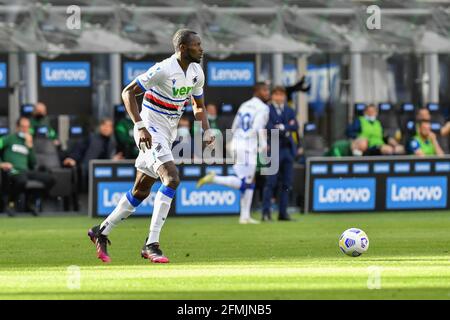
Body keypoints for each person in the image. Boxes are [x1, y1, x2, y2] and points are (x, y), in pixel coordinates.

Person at [87, 29, 214, 264]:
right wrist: (140, 125)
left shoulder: (197, 72)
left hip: (168, 133)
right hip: (150, 131)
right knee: (172, 178)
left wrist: (206, 130)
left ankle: (100, 231)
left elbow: (198, 106)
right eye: (197, 44)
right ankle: (151, 244)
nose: (201, 48)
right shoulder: (164, 68)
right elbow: (128, 93)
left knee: (140, 191)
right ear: (183, 48)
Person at [196, 82, 270, 224]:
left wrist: (231, 143)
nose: (267, 93)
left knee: (249, 180)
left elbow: (235, 126)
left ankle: (245, 216)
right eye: (264, 90)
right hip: (247, 147)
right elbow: (257, 128)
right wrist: (264, 144)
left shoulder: (244, 105)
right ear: (257, 91)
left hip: (237, 144)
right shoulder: (263, 108)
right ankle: (214, 178)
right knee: (244, 183)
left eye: (267, 90)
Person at [0, 117, 55, 214]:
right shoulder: (9, 138)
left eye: (27, 127)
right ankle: (11, 203)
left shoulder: (28, 142)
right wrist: (1, 163)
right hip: (13, 170)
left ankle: (31, 202)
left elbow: (33, 163)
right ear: (17, 127)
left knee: (50, 179)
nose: (25, 129)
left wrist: (30, 146)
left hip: (26, 170)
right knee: (21, 180)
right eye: (23, 127)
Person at [261, 86, 299, 222]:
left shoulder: (289, 110)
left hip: (287, 149)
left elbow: (295, 126)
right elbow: (269, 128)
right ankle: (266, 213)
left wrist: (283, 127)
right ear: (272, 96)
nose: (279, 97)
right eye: (276, 95)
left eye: (281, 95)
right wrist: (286, 129)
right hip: (274, 148)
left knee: (286, 183)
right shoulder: (267, 110)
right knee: (271, 182)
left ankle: (283, 213)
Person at [63, 118, 123, 189]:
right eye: (104, 125)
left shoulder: (112, 143)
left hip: (104, 173)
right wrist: (72, 158)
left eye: (109, 126)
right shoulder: (91, 138)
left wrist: (113, 160)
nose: (106, 128)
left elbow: (107, 159)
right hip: (88, 172)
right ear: (100, 127)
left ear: (112, 129)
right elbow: (79, 150)